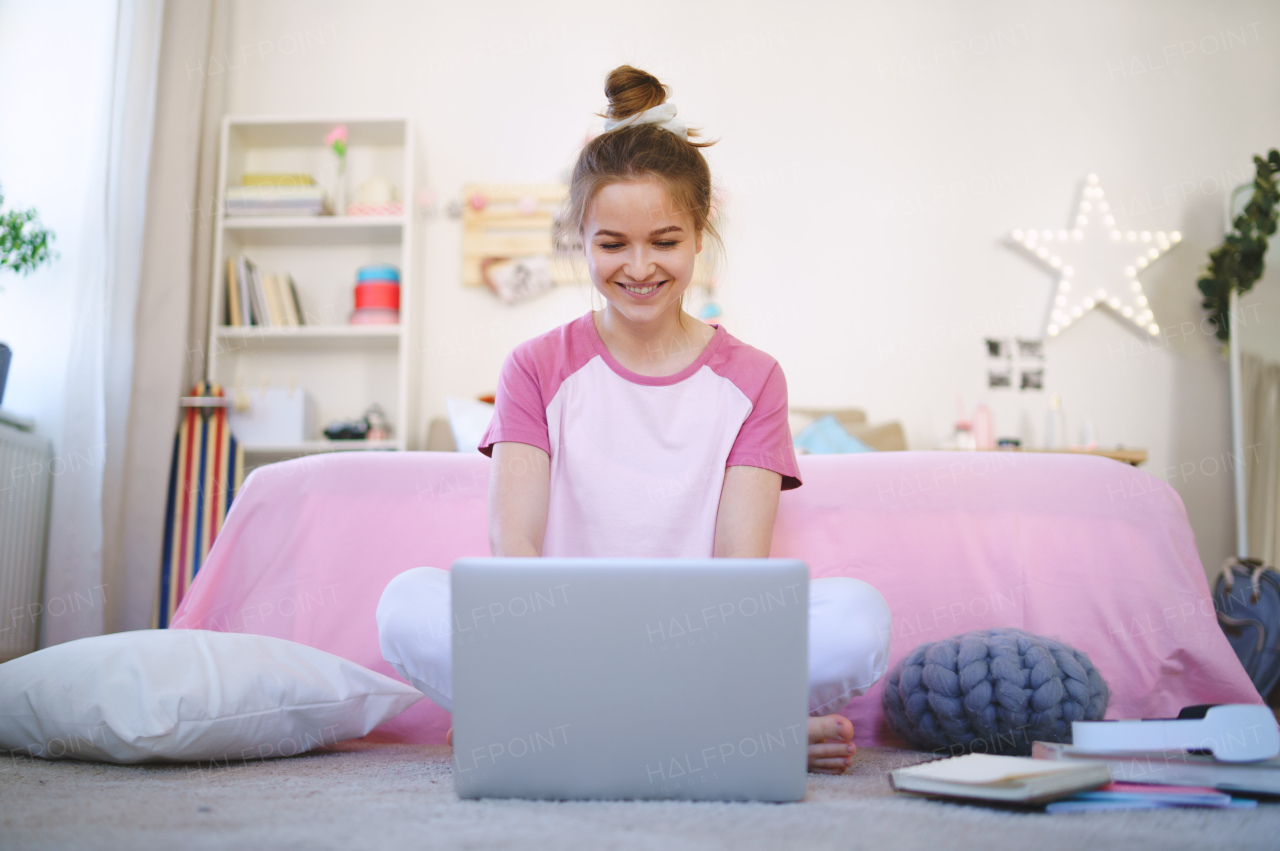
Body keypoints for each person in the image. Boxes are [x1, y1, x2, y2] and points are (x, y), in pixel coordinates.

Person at [377, 66, 891, 775]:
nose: (640, 266)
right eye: (612, 243)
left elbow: (740, 574)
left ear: (699, 234)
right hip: (562, 641)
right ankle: (722, 734)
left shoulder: (754, 377)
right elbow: (514, 546)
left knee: (857, 617)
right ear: (579, 237)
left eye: (665, 241)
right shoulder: (534, 367)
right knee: (407, 602)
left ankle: (559, 730)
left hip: (701, 649)